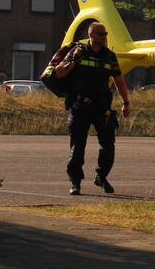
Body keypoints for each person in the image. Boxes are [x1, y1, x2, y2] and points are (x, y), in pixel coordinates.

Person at [43, 22, 130, 195]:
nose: (104, 37)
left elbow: (119, 81)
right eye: (100, 34)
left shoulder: (109, 56)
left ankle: (101, 177)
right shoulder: (78, 52)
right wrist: (75, 60)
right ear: (91, 35)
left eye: (105, 34)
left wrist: (126, 103)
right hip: (80, 106)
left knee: (108, 146)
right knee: (78, 147)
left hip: (102, 107)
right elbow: (59, 73)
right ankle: (75, 182)